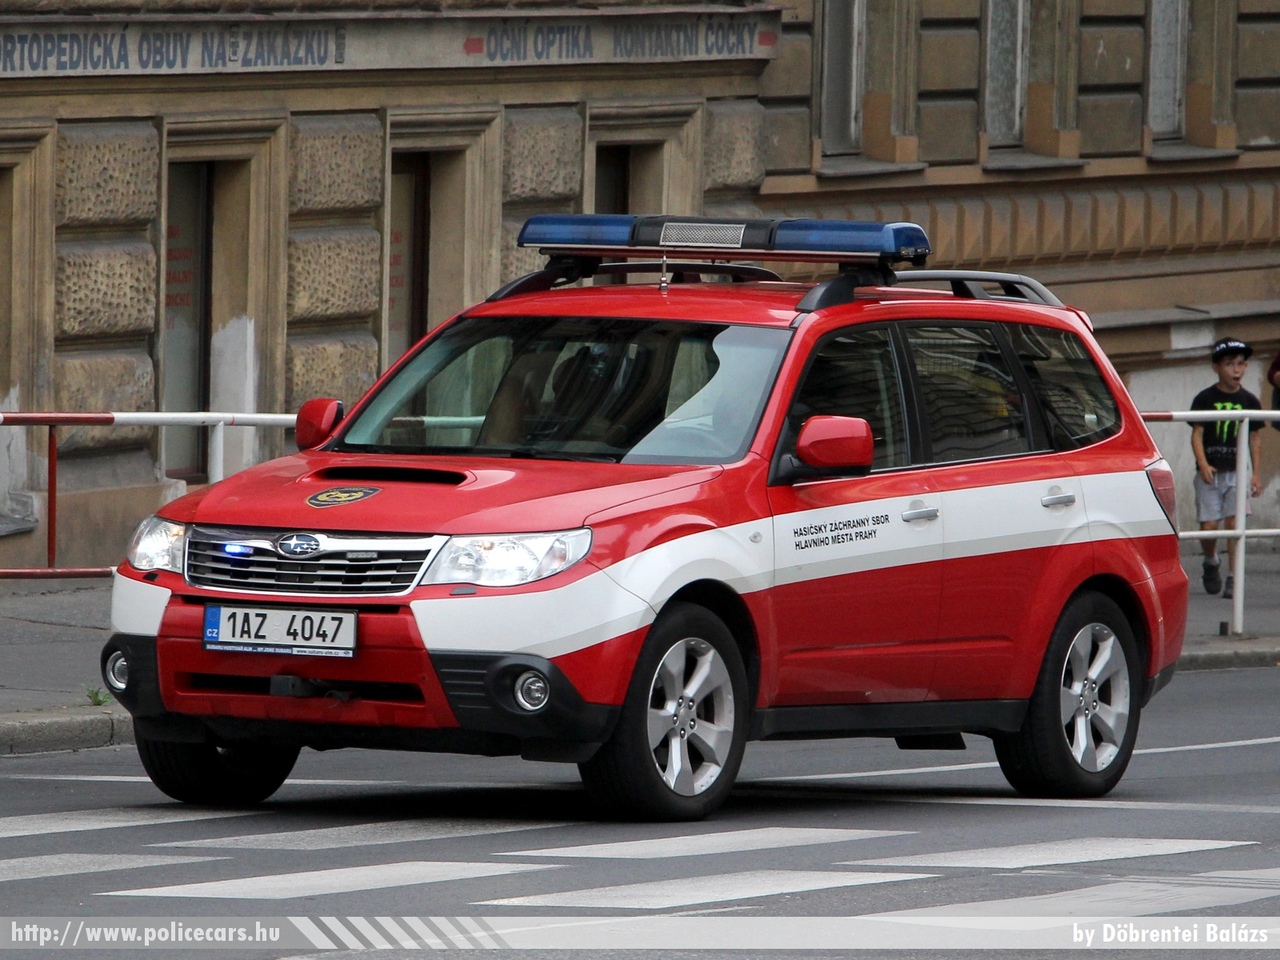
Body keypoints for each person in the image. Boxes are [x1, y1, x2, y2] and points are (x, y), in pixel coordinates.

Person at [1190, 337, 1263, 599]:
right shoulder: (1205, 398)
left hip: (1237, 473)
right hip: (1211, 472)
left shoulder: (1250, 401)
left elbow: (1254, 437)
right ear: (1216, 368)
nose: (1236, 370)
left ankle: (1233, 576)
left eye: (1241, 364)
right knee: (1209, 525)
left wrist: (1254, 473)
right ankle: (1211, 561)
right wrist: (1202, 462)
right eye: (1230, 364)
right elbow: (1197, 432)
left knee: (1234, 522)